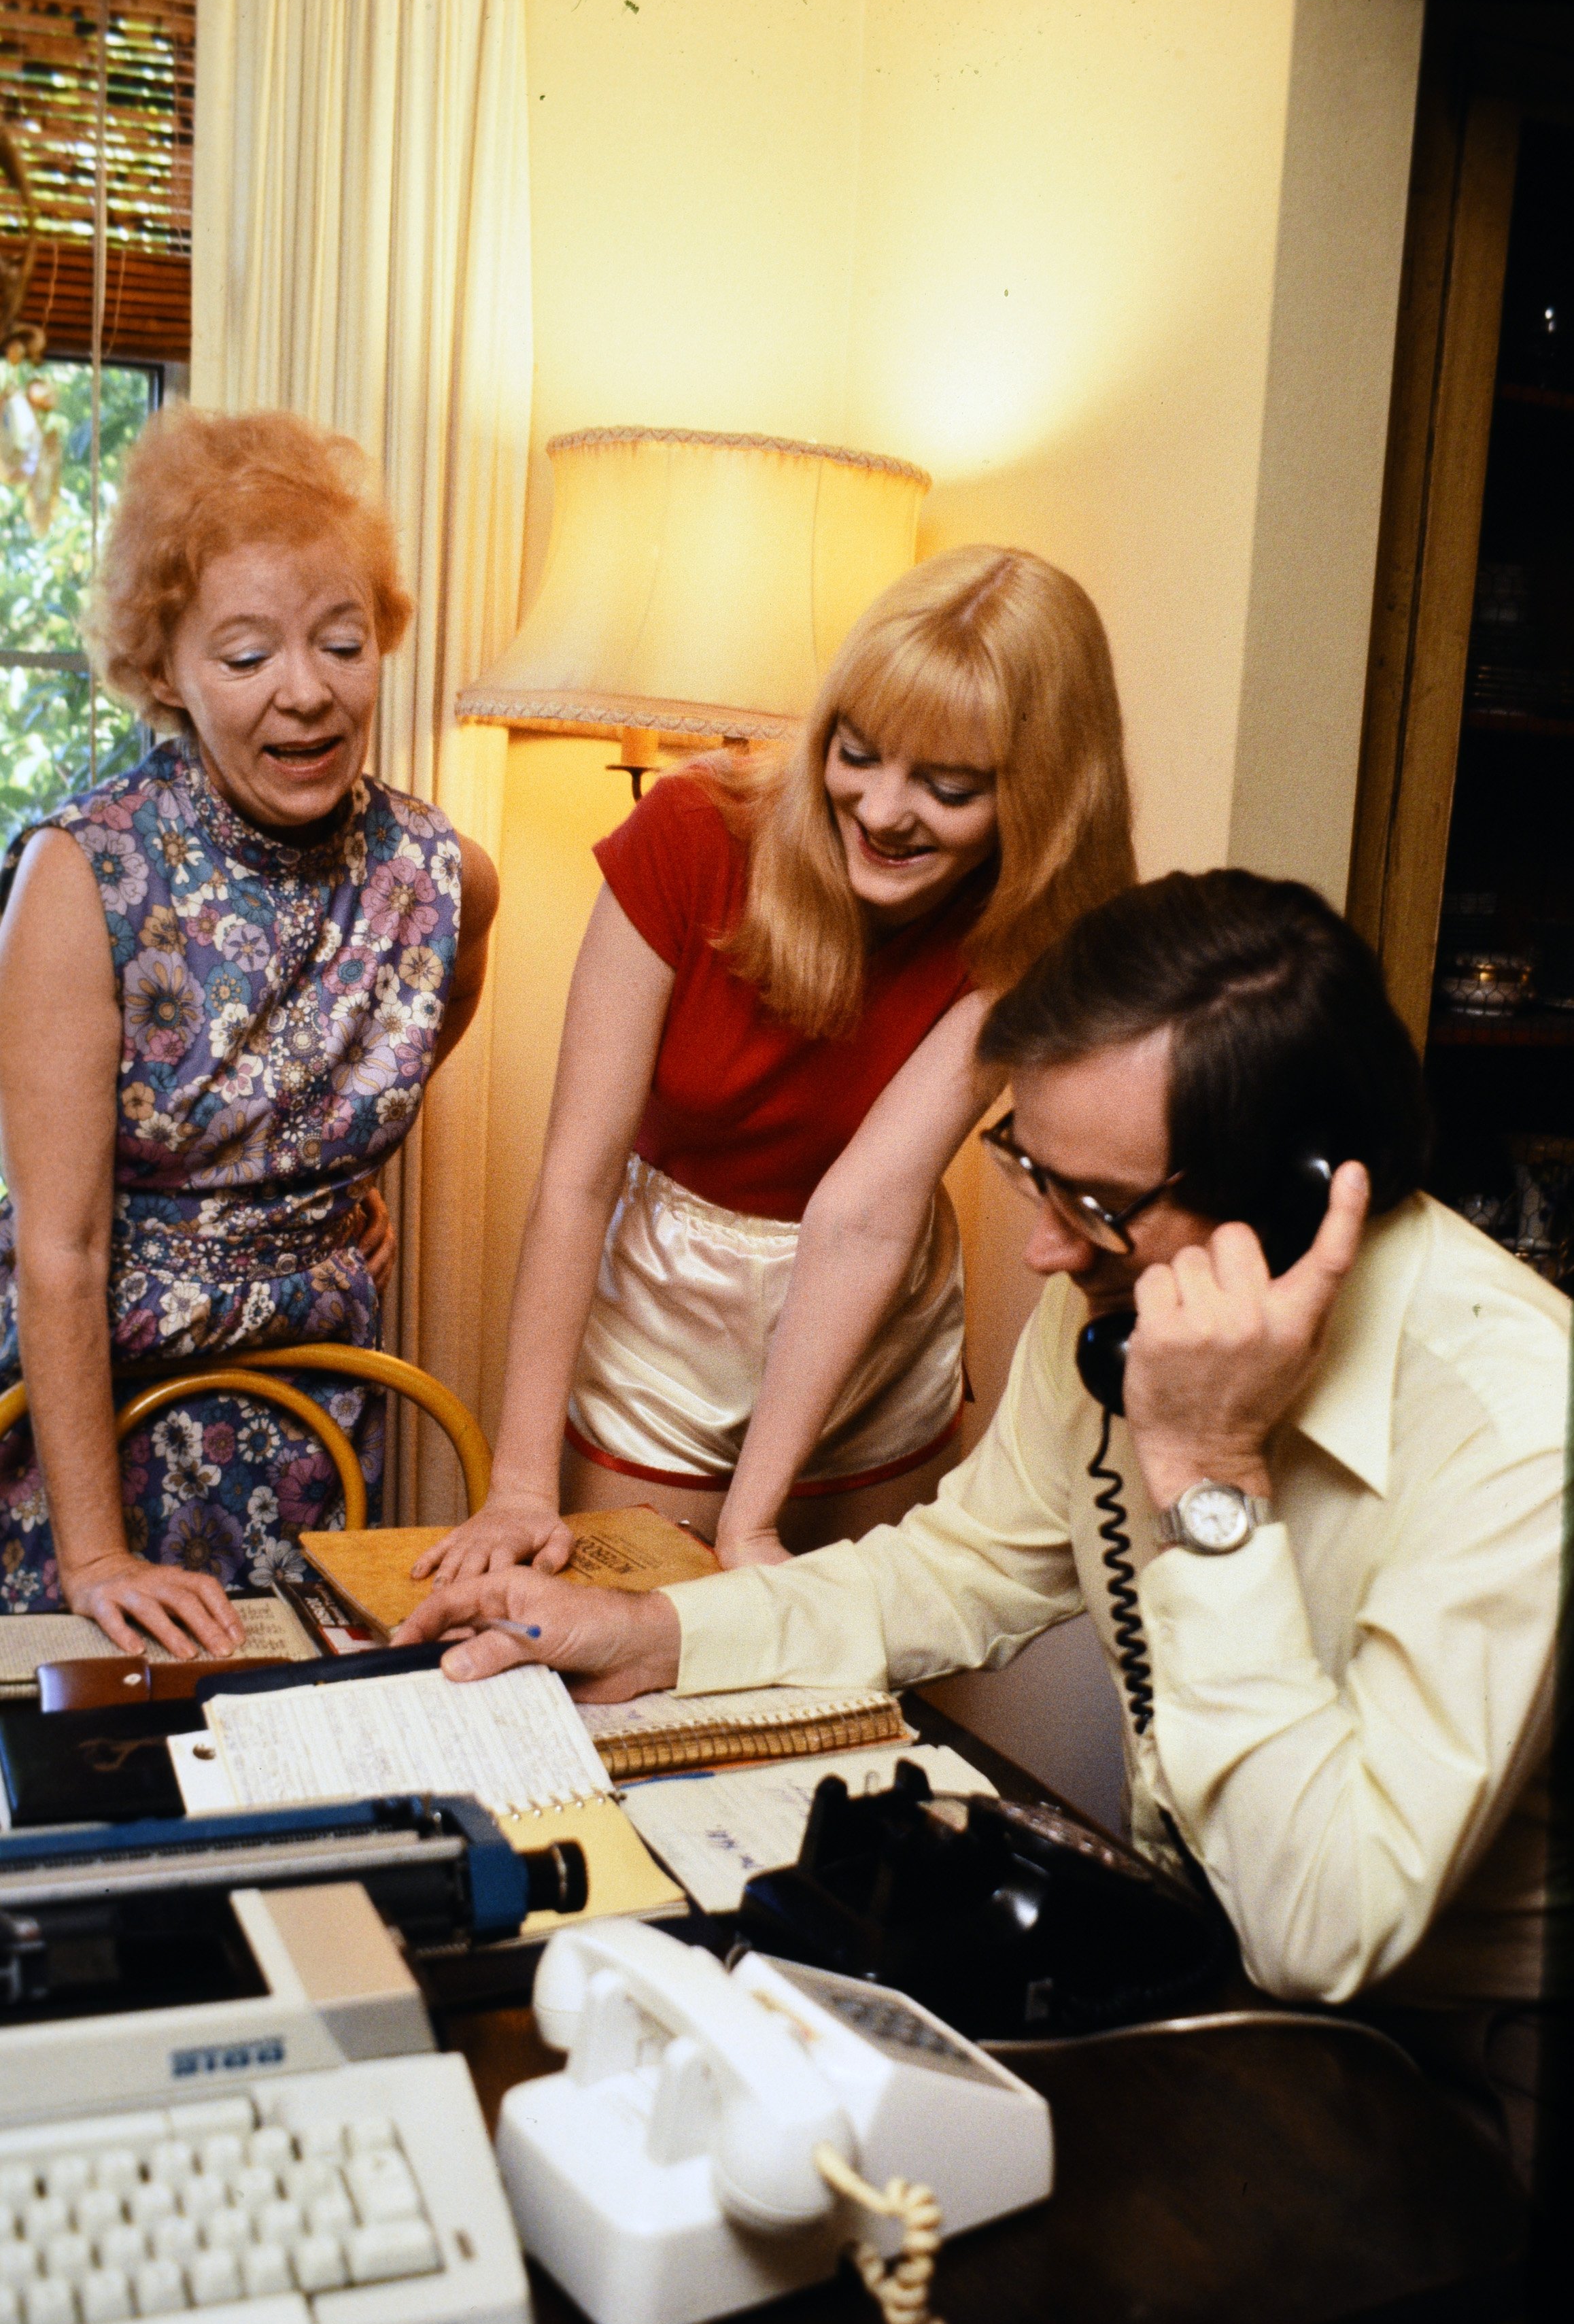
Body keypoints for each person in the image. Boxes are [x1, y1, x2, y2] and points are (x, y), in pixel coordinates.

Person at [401, 870, 1567, 2176]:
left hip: (1460, 2046)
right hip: (1196, 1959)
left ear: (1292, 1208)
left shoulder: (1523, 1430)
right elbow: (956, 1569)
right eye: (1034, 1172)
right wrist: (655, 1629)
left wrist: (1206, 1473)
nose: (1047, 1257)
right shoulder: (1125, 1286)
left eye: (1097, 1205)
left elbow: (1323, 1928)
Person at [417, 545, 1135, 1596]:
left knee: (847, 1669)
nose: (884, 812)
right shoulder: (690, 833)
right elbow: (577, 1175)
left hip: (870, 1313)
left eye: (946, 787)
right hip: (671, 1294)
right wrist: (521, 1485)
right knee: (631, 1645)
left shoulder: (1030, 928)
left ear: (1041, 797)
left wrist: (751, 1525)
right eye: (858, 753)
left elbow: (865, 1211)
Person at [0, 404, 498, 1654]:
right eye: (245, 657)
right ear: (164, 669)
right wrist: (95, 1551)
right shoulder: (82, 876)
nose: (307, 693)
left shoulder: (440, 872)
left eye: (341, 642)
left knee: (305, 1760)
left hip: (315, 1409)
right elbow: (54, 1247)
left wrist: (321, 1175)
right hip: (90, 1419)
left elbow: (429, 1002)